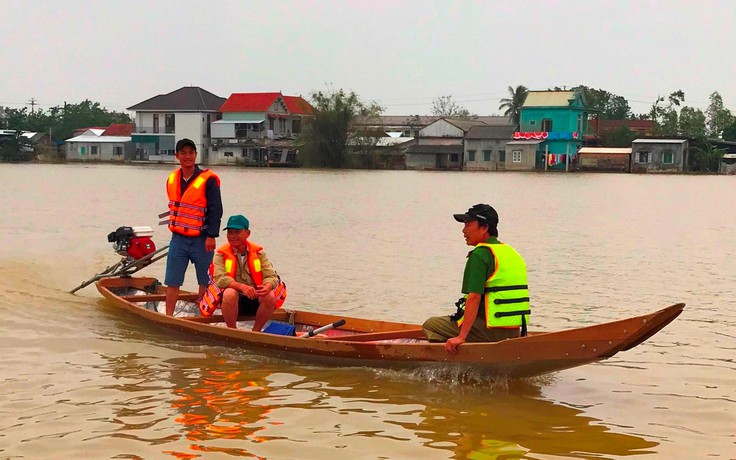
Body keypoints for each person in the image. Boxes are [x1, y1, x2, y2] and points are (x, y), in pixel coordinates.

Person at [422, 204, 531, 354]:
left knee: (430, 325)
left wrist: (461, 337)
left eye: (468, 224)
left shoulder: (480, 255)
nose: (463, 230)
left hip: (489, 332)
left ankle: (459, 358)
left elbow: (473, 298)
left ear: (484, 227)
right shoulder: (511, 252)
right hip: (513, 331)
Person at [163, 138, 223, 316]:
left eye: (191, 152)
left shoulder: (208, 180)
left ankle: (203, 317)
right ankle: (168, 317)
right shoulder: (172, 178)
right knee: (172, 281)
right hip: (178, 239)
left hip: (202, 239)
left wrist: (212, 235)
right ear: (177, 156)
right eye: (183, 153)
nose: (187, 156)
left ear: (196, 155)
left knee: (204, 281)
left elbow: (216, 210)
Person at [199, 215, 287, 331]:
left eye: (237, 232)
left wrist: (267, 286)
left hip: (254, 299)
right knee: (230, 293)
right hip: (232, 301)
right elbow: (221, 279)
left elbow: (271, 276)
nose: (233, 236)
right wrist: (241, 287)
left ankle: (256, 332)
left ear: (247, 233)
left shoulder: (259, 253)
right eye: (230, 232)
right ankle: (232, 330)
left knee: (269, 295)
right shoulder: (220, 254)